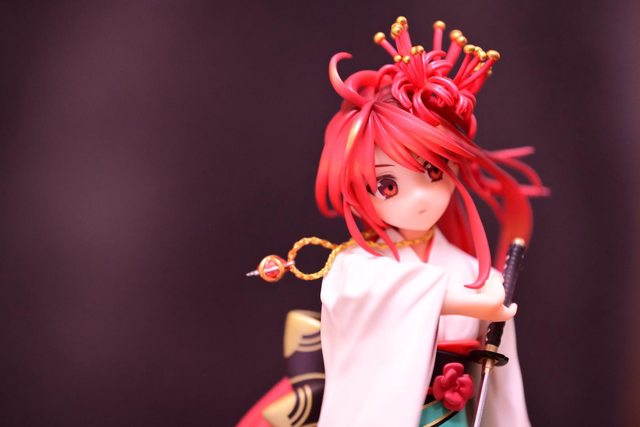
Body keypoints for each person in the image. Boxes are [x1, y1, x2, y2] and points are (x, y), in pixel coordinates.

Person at [245, 16, 547, 427]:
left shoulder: (475, 274)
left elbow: (500, 395)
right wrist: (469, 302)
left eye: (435, 171)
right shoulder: (355, 267)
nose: (419, 198)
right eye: (387, 185)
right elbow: (380, 293)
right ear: (357, 191)